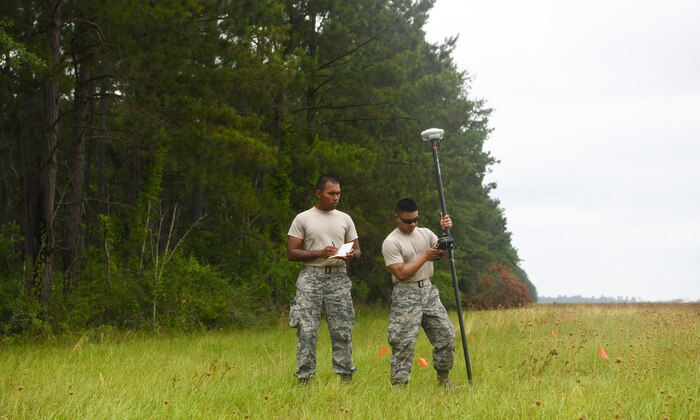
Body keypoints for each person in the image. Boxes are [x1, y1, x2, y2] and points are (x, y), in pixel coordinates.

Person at [287, 175, 361, 384]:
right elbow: (291, 252)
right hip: (311, 277)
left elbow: (358, 251)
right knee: (307, 329)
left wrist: (349, 254)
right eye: (331, 193)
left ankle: (346, 378)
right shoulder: (303, 218)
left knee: (342, 329)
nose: (336, 197)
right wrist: (320, 252)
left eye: (338, 193)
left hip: (338, 278)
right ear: (318, 193)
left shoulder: (345, 218)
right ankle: (305, 379)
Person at [381, 198, 455, 386]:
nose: (413, 224)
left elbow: (446, 255)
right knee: (403, 342)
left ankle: (444, 382)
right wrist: (424, 257)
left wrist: (445, 232)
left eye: (416, 219)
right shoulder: (391, 242)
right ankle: (399, 388)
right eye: (408, 221)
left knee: (446, 334)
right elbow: (401, 273)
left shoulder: (426, 233)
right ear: (397, 218)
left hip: (428, 291)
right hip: (406, 294)